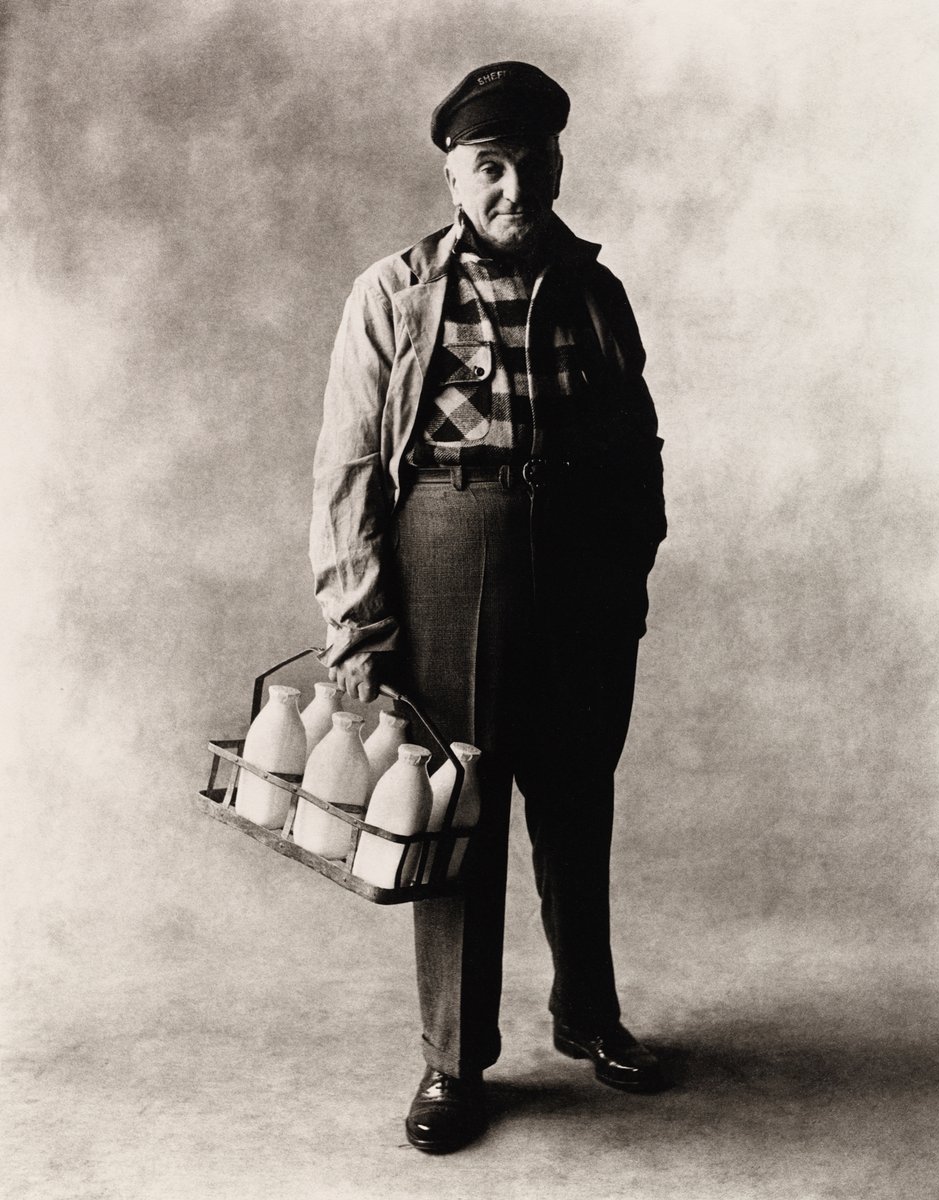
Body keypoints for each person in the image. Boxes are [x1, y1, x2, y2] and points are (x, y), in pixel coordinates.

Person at [310, 61, 669, 1153]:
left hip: (577, 574)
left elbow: (637, 445)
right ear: (453, 175)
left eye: (533, 163)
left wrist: (626, 573)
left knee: (575, 799)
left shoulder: (595, 291)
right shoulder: (393, 293)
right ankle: (451, 1061)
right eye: (490, 168)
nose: (516, 187)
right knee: (455, 808)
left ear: (558, 161)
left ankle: (587, 1016)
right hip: (446, 557)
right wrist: (359, 622)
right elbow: (346, 474)